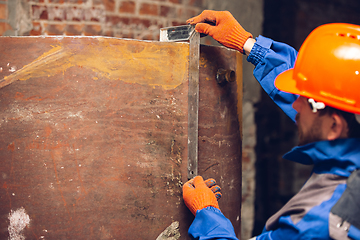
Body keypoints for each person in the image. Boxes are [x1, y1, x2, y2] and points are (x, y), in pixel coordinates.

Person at [182, 10, 360, 240]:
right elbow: (321, 85)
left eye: (304, 101)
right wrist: (248, 45)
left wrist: (208, 214)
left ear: (334, 126)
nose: (294, 105)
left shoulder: (317, 223)